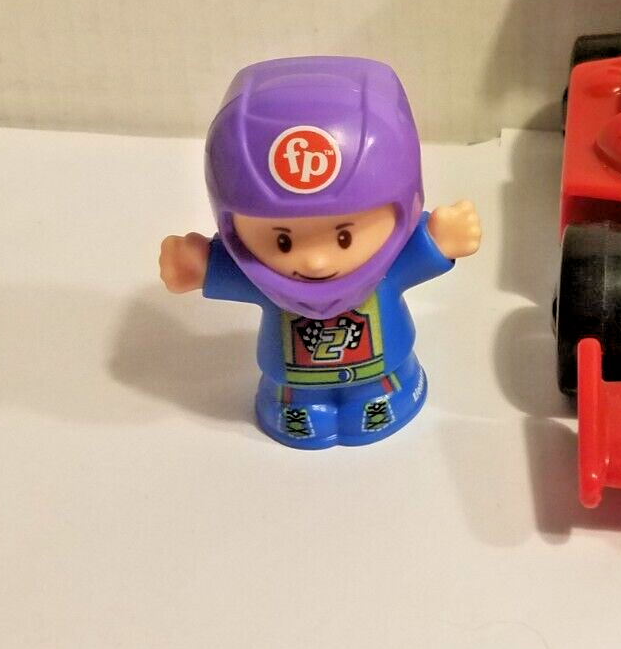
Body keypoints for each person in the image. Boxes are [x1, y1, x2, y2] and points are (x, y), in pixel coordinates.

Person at [158, 56, 481, 448]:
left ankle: (370, 401)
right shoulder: (251, 269)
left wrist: (439, 238)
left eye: (344, 238)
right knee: (301, 410)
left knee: (375, 401)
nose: (315, 261)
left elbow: (421, 249)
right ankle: (305, 408)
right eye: (283, 241)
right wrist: (199, 265)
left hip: (384, 377)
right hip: (293, 386)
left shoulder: (392, 260)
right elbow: (221, 267)